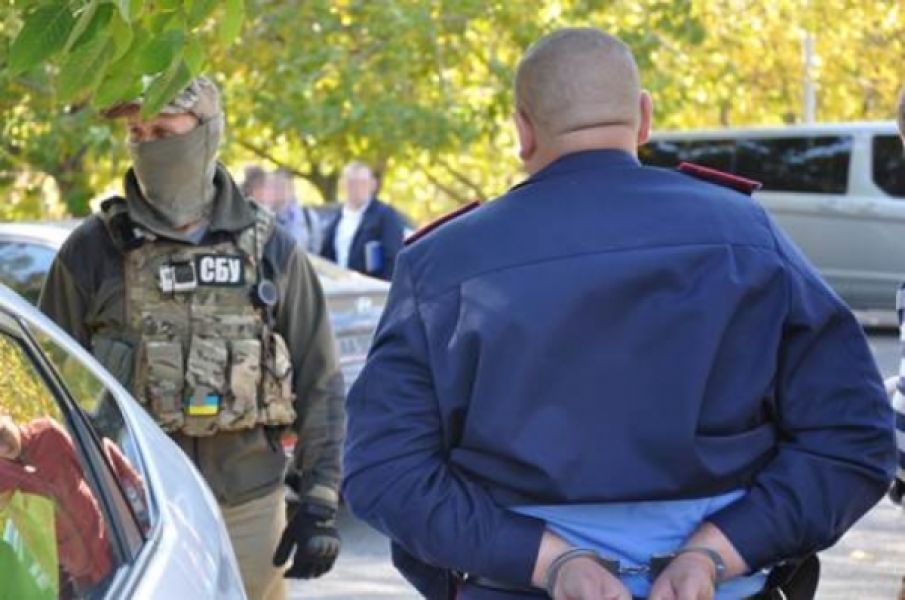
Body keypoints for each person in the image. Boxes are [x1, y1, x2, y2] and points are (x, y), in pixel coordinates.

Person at [341, 28, 896, 600]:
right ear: (644, 116)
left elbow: (383, 471)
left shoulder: (441, 263)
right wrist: (716, 552)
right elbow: (854, 438)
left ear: (522, 130)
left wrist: (548, 561)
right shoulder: (748, 237)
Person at [38, 77, 346, 600]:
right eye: (138, 133)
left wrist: (319, 498)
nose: (147, 145)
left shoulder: (270, 249)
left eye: (163, 131)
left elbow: (321, 379)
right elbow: (48, 392)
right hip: (134, 513)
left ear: (206, 133)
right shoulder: (93, 251)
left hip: (249, 507)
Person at [320, 161, 405, 280]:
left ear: (373, 185)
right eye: (352, 183)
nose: (357, 188)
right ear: (342, 185)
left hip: (372, 287)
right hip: (339, 287)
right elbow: (325, 259)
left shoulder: (385, 216)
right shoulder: (335, 220)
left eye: (363, 183)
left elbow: (394, 259)